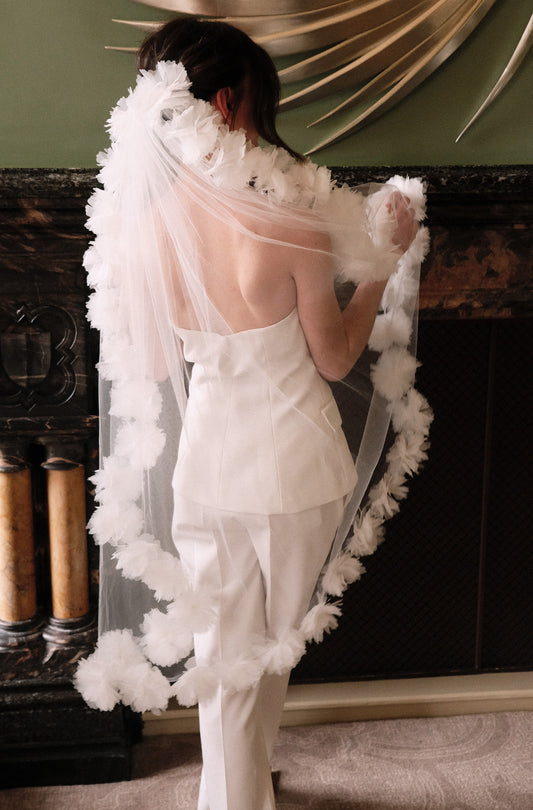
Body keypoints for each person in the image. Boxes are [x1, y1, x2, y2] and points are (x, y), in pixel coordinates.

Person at [75, 17, 432, 810]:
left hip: (208, 462)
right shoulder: (284, 226)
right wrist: (385, 263)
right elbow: (337, 358)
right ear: (232, 104)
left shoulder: (146, 231)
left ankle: (240, 781)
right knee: (261, 648)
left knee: (230, 644)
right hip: (296, 464)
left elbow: (160, 366)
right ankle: (231, 800)